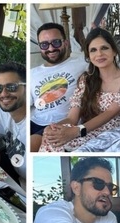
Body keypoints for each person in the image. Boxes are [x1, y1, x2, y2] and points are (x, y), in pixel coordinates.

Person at [38, 27, 120, 152]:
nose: (99, 54)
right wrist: (53, 127)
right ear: (89, 56)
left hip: (112, 132)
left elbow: (110, 113)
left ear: (114, 51)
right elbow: (72, 118)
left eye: (104, 48)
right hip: (84, 129)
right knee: (51, 138)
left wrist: (76, 131)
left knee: (63, 145)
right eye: (93, 50)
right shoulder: (86, 80)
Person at [30, 23, 87, 152]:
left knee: (31, 143)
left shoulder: (81, 64)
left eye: (56, 42)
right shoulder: (33, 73)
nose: (50, 48)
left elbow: (100, 55)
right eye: (44, 44)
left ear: (66, 43)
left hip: (61, 124)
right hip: (34, 121)